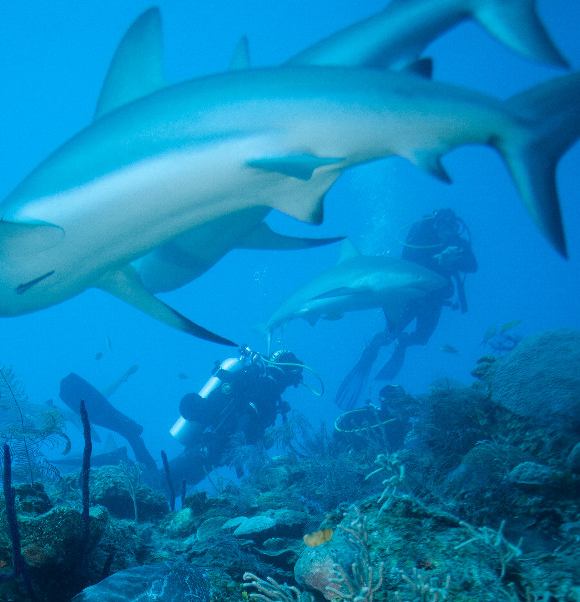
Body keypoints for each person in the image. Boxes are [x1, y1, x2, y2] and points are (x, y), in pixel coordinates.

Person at [335, 209, 477, 411]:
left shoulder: (457, 243)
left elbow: (473, 267)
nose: (448, 231)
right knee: (388, 335)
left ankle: (403, 344)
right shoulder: (420, 236)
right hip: (409, 297)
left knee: (422, 338)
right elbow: (404, 263)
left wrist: (455, 259)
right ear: (435, 225)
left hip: (434, 301)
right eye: (443, 226)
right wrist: (437, 260)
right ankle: (373, 350)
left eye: (452, 227)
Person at [166, 348, 304, 488]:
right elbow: (245, 422)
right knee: (166, 481)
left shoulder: (261, 386)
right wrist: (259, 443)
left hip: (211, 450)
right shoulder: (266, 389)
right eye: (295, 375)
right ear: (287, 373)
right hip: (211, 448)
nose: (296, 381)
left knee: (172, 485)